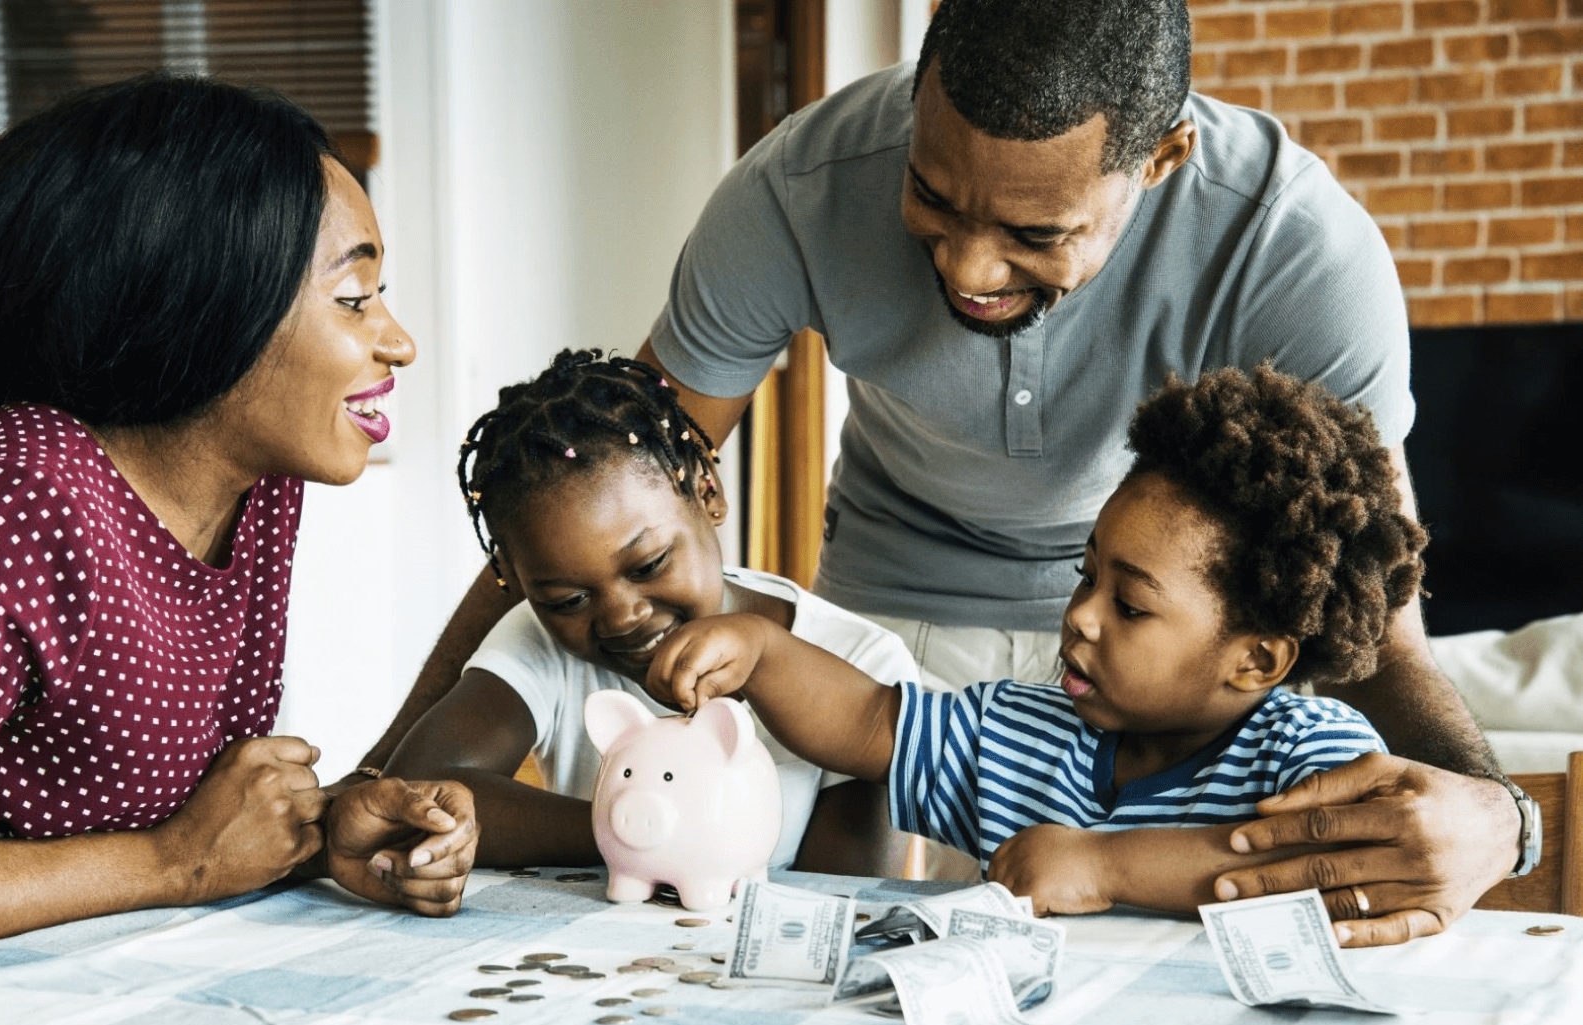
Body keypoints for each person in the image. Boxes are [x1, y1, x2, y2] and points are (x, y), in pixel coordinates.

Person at [363, 0, 1528, 945]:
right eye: (931, 195)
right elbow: (598, 483)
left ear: (1162, 156)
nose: (968, 266)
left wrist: (1499, 815)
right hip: (892, 628)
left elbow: (1382, 631)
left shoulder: (1295, 250)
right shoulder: (794, 191)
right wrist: (372, 779)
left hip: (1176, 638)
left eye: (1035, 232)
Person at [0, 76, 477, 993]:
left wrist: (319, 828)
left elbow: (164, 823)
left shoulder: (255, 493)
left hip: (70, 993)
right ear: (207, 303)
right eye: (353, 297)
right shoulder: (10, 496)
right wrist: (175, 863)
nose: (398, 341)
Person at [648, 367, 1419, 931]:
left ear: (1255, 660)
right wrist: (762, 653)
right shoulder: (1018, 733)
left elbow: (1327, 871)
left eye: (1130, 606)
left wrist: (1103, 865)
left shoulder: (1315, 756)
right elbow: (868, 723)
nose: (1081, 617)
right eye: (1087, 578)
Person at [377, 349, 917, 875]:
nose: (620, 617)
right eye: (568, 600)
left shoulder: (861, 661)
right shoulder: (539, 636)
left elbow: (846, 894)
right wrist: (626, 827)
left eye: (649, 564)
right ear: (519, 583)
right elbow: (411, 793)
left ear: (708, 492)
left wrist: (654, 829)